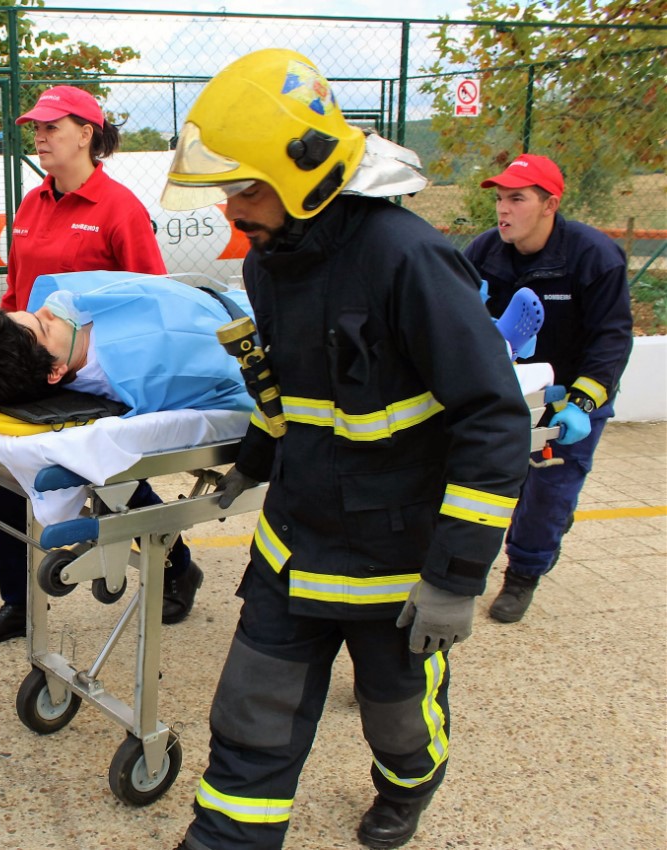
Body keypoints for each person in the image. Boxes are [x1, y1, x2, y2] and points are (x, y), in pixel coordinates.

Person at [159, 49, 532, 850]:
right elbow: (297, 397)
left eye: (245, 187)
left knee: (398, 720)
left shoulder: (407, 257)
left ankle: (408, 788)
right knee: (250, 718)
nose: (232, 210)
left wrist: (456, 576)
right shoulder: (269, 261)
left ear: (303, 172)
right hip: (294, 545)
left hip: (397, 565)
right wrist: (249, 465)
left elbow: (492, 418)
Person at [0, 85, 202, 647]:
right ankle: (17, 604)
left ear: (87, 134)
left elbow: (155, 302)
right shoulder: (32, 204)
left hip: (98, 378)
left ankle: (176, 566)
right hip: (34, 371)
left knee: (115, 484)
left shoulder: (118, 210)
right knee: (6, 475)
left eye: (52, 127)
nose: (40, 137)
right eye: (37, 129)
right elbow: (16, 294)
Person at [466, 153, 632, 623]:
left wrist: (583, 402)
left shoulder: (593, 256)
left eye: (517, 199)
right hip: (507, 393)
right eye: (500, 198)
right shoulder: (482, 253)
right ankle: (467, 565)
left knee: (548, 492)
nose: (503, 209)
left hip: (569, 399)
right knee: (488, 485)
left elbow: (612, 337)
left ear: (549, 204)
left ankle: (524, 573)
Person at [0, 271, 252, 417]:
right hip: (251, 325)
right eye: (45, 325)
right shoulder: (138, 369)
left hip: (236, 302)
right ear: (56, 371)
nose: (48, 309)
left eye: (35, 312)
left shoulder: (77, 328)